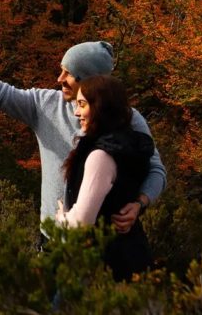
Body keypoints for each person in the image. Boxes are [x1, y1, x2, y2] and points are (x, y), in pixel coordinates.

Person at [0, 41, 166, 236]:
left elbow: (155, 169)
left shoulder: (130, 120)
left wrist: (139, 204)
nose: (59, 79)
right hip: (52, 239)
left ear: (91, 81)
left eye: (68, 73)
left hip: (107, 246)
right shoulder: (46, 105)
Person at [55, 74, 154, 280]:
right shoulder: (128, 144)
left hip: (99, 266)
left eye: (82, 104)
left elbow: (82, 222)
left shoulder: (101, 156)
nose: (76, 112)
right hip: (133, 257)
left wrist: (60, 219)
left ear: (100, 107)